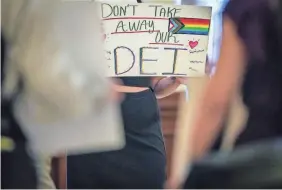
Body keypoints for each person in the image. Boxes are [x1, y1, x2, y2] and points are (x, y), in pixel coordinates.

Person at [66, 0, 187, 188]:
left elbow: (153, 85)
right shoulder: (77, 11)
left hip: (142, 137)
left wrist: (175, 79)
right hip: (92, 134)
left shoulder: (146, 15)